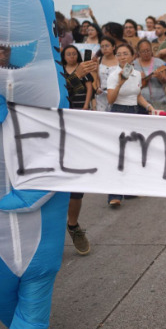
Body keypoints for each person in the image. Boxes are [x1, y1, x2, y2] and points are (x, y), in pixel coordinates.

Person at [106, 43, 156, 207]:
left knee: (132, 152)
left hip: (134, 112)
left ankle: (129, 189)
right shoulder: (114, 75)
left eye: (125, 53)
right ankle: (114, 195)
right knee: (118, 154)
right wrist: (120, 82)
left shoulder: (137, 74)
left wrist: (148, 106)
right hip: (118, 112)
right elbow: (110, 100)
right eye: (119, 54)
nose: (122, 57)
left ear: (132, 55)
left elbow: (138, 95)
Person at [60, 45, 96, 255]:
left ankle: (73, 226)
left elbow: (88, 88)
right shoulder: (54, 69)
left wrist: (86, 74)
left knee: (76, 183)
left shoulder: (80, 71)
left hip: (76, 129)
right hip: (49, 131)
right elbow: (55, 95)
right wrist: (75, 76)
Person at [134, 38, 166, 112]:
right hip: (140, 102)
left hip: (159, 101)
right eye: (143, 51)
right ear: (138, 52)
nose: (146, 53)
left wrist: (161, 77)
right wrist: (138, 77)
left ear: (151, 50)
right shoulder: (134, 64)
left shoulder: (159, 63)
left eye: (148, 50)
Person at [94, 36, 119, 112]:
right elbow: (97, 78)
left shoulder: (119, 60)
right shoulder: (99, 60)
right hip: (101, 96)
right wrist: (97, 87)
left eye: (107, 46)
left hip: (116, 95)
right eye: (102, 47)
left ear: (113, 47)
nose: (104, 48)